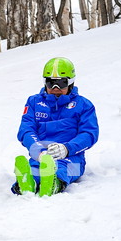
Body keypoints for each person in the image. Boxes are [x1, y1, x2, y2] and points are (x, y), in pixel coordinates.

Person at [12, 57, 99, 196]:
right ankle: (26, 184)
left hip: (72, 158)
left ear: (70, 83)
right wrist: (38, 151)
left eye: (61, 83)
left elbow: (89, 134)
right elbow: (26, 129)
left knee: (62, 169)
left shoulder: (83, 105)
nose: (55, 88)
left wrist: (67, 149)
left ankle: (54, 184)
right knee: (35, 169)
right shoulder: (34, 102)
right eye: (51, 83)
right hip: (41, 156)